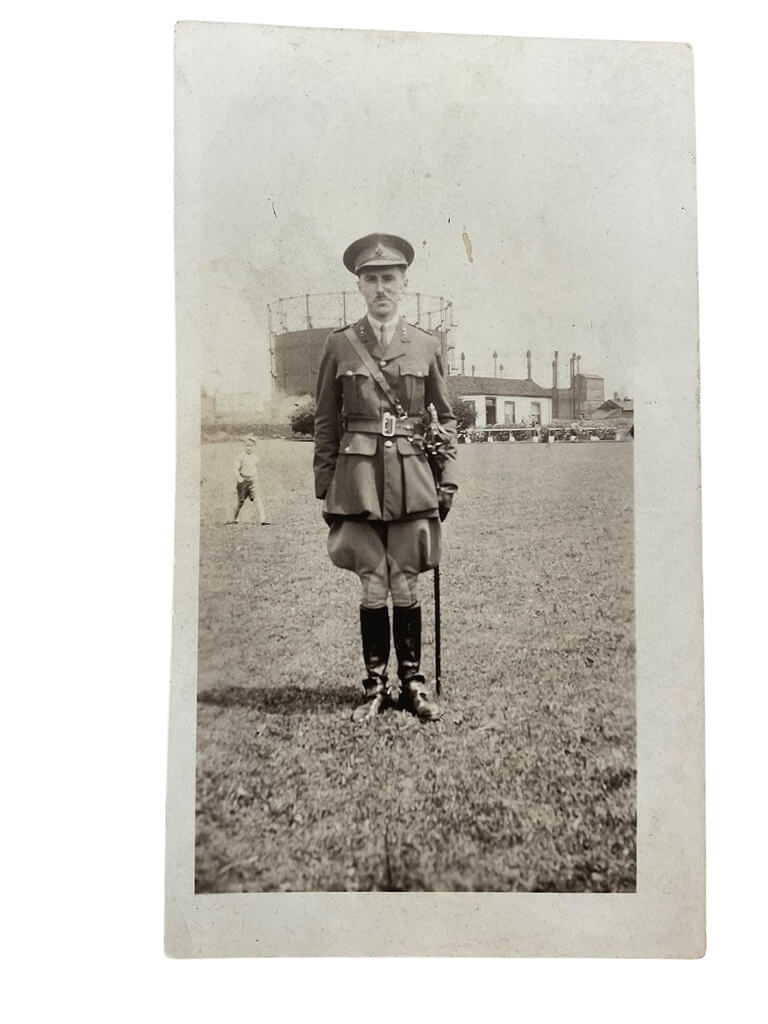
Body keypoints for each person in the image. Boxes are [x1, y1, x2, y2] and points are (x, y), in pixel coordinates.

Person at [313, 233, 458, 722]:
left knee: (406, 581)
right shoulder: (339, 345)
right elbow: (326, 420)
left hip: (413, 473)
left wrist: (448, 478)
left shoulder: (426, 344)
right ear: (359, 286)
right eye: (371, 279)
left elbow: (446, 414)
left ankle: (412, 684)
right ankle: (375, 684)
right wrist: (324, 481)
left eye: (389, 279)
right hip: (356, 478)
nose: (380, 288)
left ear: (404, 283)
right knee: (372, 582)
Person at [229, 435, 270, 525]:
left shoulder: (255, 457)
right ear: (244, 446)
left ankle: (263, 520)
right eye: (247, 445)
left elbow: (256, 468)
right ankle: (235, 518)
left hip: (252, 482)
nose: (249, 448)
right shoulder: (240, 457)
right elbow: (235, 468)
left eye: (251, 446)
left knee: (257, 500)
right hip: (242, 482)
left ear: (254, 447)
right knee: (240, 502)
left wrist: (255, 477)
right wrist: (239, 478)